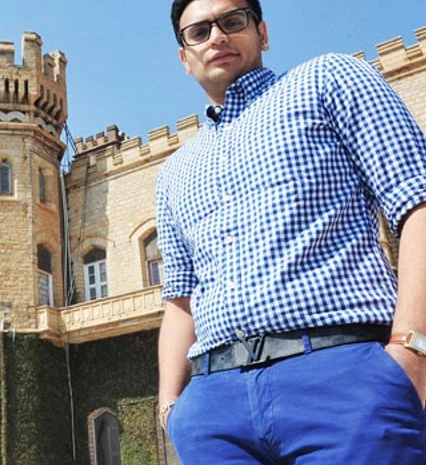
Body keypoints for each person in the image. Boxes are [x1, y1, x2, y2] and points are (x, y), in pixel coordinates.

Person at [155, 0, 426, 463]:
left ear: (262, 32)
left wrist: (413, 350)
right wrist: (171, 409)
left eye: (232, 21)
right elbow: (181, 298)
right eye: (198, 32)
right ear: (184, 57)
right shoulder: (175, 170)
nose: (217, 37)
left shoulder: (328, 80)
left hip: (342, 377)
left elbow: (417, 203)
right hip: (213, 407)